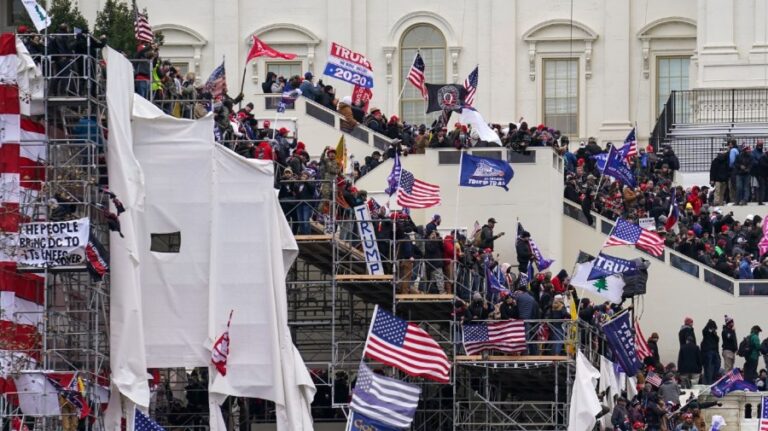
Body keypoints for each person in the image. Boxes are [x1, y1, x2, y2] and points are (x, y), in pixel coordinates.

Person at [700, 319, 720, 384]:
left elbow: (717, 340)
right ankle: (709, 382)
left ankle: (712, 380)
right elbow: (704, 331)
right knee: (708, 368)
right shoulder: (706, 331)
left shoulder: (714, 334)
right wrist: (710, 327)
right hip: (708, 351)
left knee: (716, 365)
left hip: (714, 351)